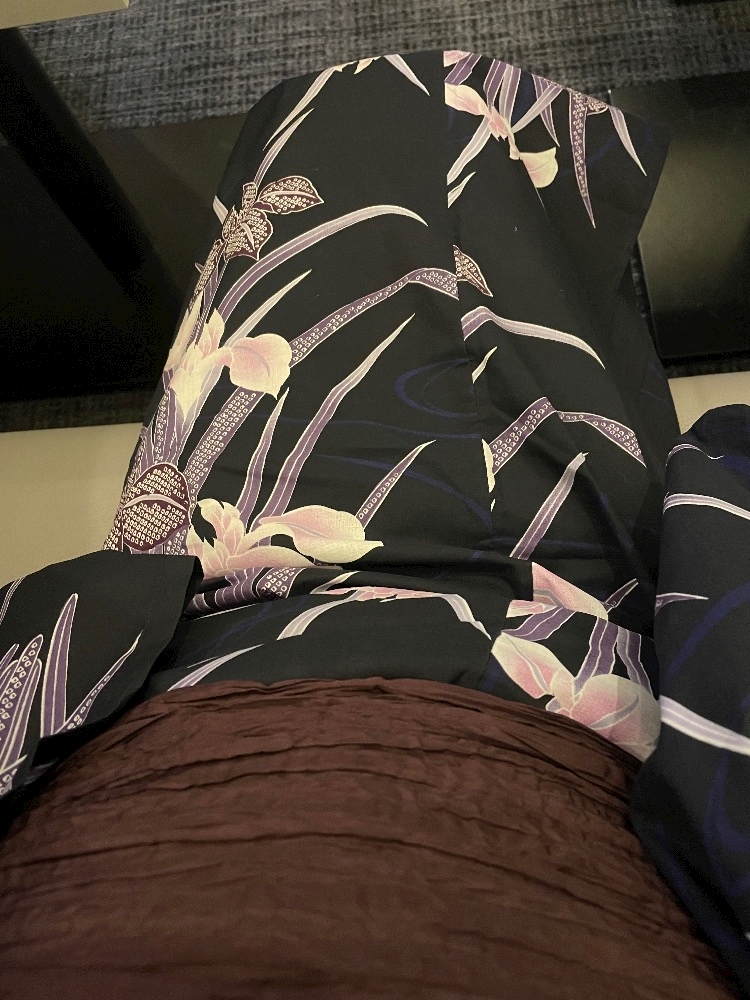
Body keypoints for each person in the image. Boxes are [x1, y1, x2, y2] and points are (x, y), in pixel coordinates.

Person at [0, 49, 748, 999]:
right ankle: (474, 143)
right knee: (427, 192)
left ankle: (458, 144)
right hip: (526, 662)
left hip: (158, 664)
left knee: (367, 196)